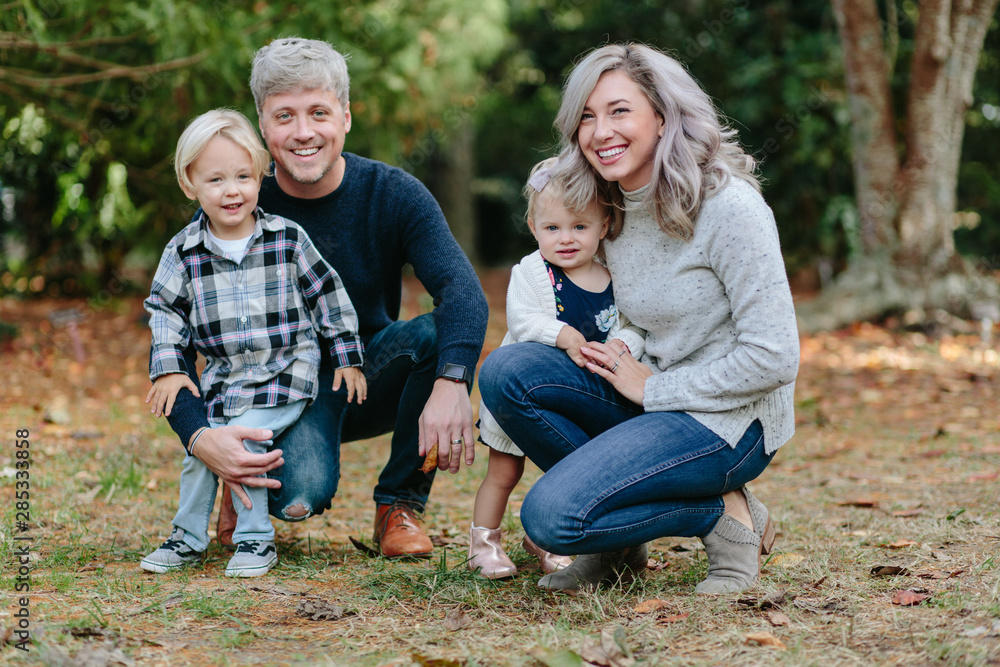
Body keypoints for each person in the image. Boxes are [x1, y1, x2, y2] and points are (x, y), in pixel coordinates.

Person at [478, 43, 799, 594]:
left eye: (619, 111)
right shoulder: (609, 207)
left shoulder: (730, 208)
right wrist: (617, 354)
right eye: (586, 116)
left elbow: (775, 357)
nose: (600, 131)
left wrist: (655, 389)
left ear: (663, 116)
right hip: (646, 394)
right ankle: (619, 550)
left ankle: (725, 517)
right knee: (507, 372)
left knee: (551, 518)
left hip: (729, 420)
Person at [161, 38, 488, 559]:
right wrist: (201, 437)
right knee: (300, 498)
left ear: (346, 117)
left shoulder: (392, 194)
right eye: (284, 116)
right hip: (271, 388)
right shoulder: (237, 198)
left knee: (434, 335)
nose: (303, 132)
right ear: (262, 127)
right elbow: (170, 336)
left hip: (364, 373)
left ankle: (399, 505)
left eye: (318, 112)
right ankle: (242, 477)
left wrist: (452, 380)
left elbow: (462, 291)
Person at [141, 109, 366, 577]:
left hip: (286, 376)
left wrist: (347, 356)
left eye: (243, 176)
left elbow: (329, 296)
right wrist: (169, 368)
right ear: (189, 184)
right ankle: (187, 537)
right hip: (224, 384)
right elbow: (164, 310)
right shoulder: (182, 253)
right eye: (216, 179)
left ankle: (255, 540)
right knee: (200, 452)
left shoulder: (287, 240)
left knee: (245, 439)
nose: (232, 191)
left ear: (261, 175)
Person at [469, 157, 645, 579]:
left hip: (581, 395)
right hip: (523, 392)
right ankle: (484, 542)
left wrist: (622, 344)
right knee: (504, 470)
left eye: (579, 227)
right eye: (552, 228)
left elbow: (635, 323)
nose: (565, 238)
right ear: (533, 228)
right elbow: (522, 320)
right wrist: (562, 334)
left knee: (564, 469)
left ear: (603, 227)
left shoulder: (615, 277)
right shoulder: (533, 272)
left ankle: (545, 540)